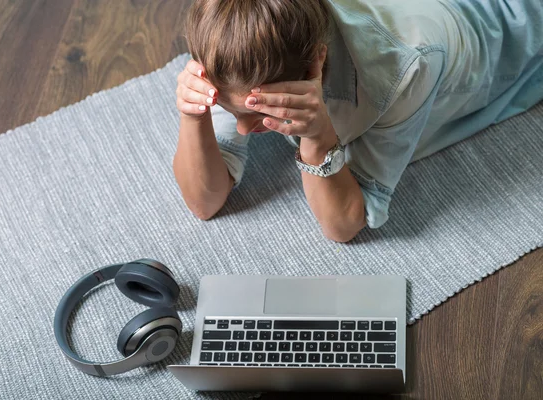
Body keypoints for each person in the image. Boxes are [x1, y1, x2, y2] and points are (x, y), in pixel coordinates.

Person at [173, 0, 543, 242]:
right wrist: (194, 115)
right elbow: (204, 203)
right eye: (229, 107)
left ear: (313, 67)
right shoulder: (241, 45)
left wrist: (317, 139)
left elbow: (343, 224)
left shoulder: (405, 68)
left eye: (257, 113)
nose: (240, 128)